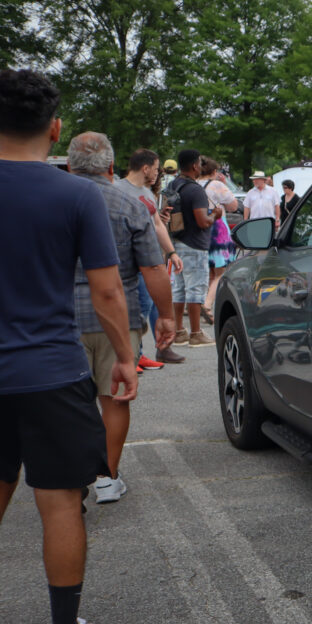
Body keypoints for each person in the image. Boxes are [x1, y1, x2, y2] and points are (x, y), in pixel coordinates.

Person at [0, 68, 136, 624]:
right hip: (52, 372)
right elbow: (106, 291)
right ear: (55, 129)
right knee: (59, 501)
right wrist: (126, 358)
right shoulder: (78, 195)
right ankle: (63, 619)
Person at [67, 132, 176, 504]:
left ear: (69, 166)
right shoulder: (130, 204)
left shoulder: (53, 200)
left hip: (62, 317)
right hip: (120, 314)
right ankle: (106, 477)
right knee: (115, 399)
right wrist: (166, 316)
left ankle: (70, 479)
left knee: (68, 401)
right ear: (112, 167)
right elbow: (153, 268)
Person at [114, 148, 185, 367]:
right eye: (155, 169)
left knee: (147, 305)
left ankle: (141, 353)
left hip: (147, 261)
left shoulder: (146, 193)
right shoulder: (117, 190)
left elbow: (156, 226)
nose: (158, 173)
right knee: (136, 309)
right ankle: (129, 356)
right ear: (145, 168)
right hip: (125, 264)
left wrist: (172, 252)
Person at [167, 149, 221, 347]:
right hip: (194, 245)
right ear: (194, 166)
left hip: (176, 241)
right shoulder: (195, 190)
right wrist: (215, 215)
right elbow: (202, 221)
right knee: (195, 288)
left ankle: (179, 331)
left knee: (179, 288)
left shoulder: (174, 184)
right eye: (199, 163)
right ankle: (196, 333)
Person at [199, 156, 239, 322]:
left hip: (199, 229)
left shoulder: (192, 184)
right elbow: (233, 206)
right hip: (217, 229)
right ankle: (207, 305)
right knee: (220, 272)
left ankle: (200, 302)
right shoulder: (216, 185)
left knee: (207, 270)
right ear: (214, 172)